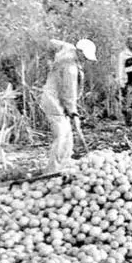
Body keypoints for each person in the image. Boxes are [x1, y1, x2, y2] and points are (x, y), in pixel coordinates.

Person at [39, 38, 97, 173]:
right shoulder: (70, 68)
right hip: (54, 102)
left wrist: (50, 59)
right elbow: (68, 93)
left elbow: (51, 42)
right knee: (62, 135)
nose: (86, 60)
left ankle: (64, 164)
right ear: (80, 52)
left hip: (55, 99)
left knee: (68, 135)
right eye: (85, 57)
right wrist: (73, 113)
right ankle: (52, 171)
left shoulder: (69, 48)